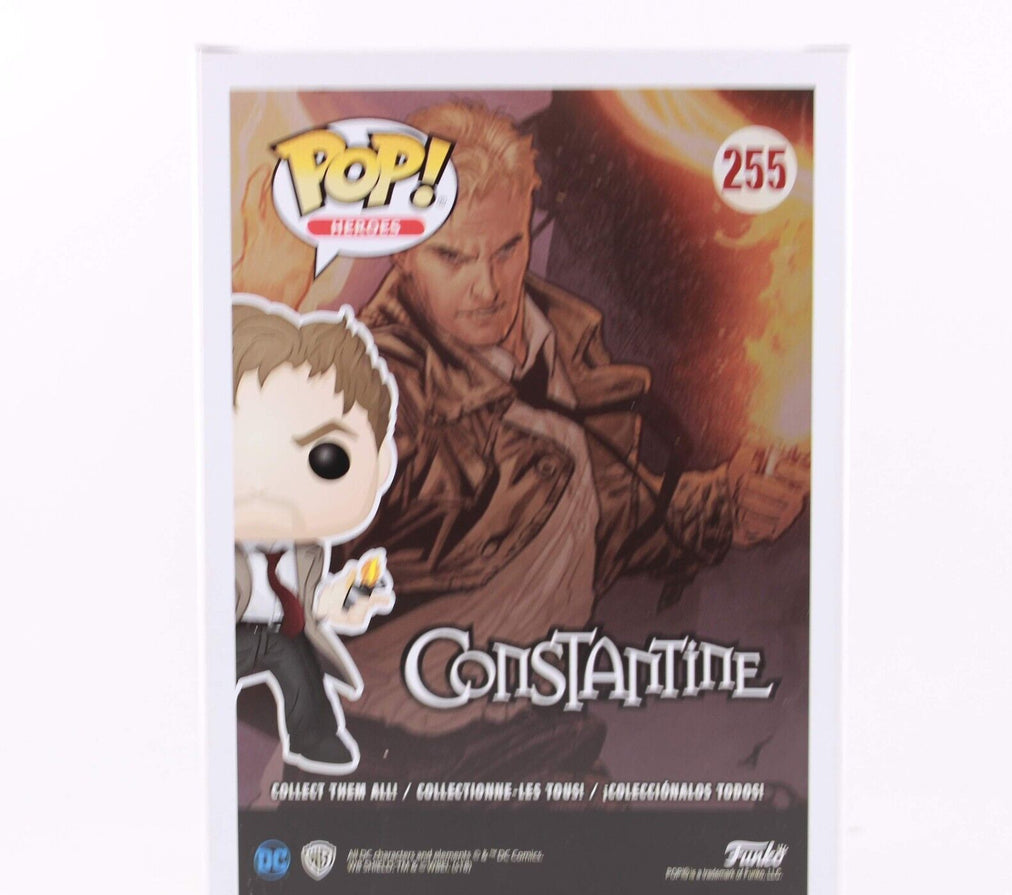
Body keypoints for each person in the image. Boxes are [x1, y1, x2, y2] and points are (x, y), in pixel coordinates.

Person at [329, 102, 808, 779]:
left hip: (536, 734)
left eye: (507, 248)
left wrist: (729, 504)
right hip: (387, 755)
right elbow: (276, 589)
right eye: (451, 255)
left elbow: (606, 524)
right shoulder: (363, 391)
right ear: (403, 248)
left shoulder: (562, 339)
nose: (488, 286)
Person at [233, 295, 398, 774]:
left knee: (303, 673)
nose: (266, 491)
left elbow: (311, 601)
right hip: (225, 637)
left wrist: (347, 599)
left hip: (280, 635)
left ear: (380, 464)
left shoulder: (304, 551)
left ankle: (314, 737)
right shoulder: (213, 551)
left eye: (328, 459)